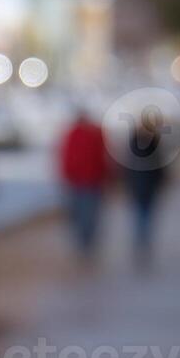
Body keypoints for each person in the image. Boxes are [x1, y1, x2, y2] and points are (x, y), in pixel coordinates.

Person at [58, 109, 110, 262]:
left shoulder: (73, 134)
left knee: (81, 211)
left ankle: (84, 240)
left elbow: (66, 156)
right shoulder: (94, 133)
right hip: (90, 180)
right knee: (89, 212)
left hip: (81, 180)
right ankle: (86, 240)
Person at [123, 106, 172, 269]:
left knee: (142, 213)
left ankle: (141, 238)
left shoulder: (136, 142)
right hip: (146, 184)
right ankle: (143, 238)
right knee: (145, 213)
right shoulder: (152, 142)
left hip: (141, 184)